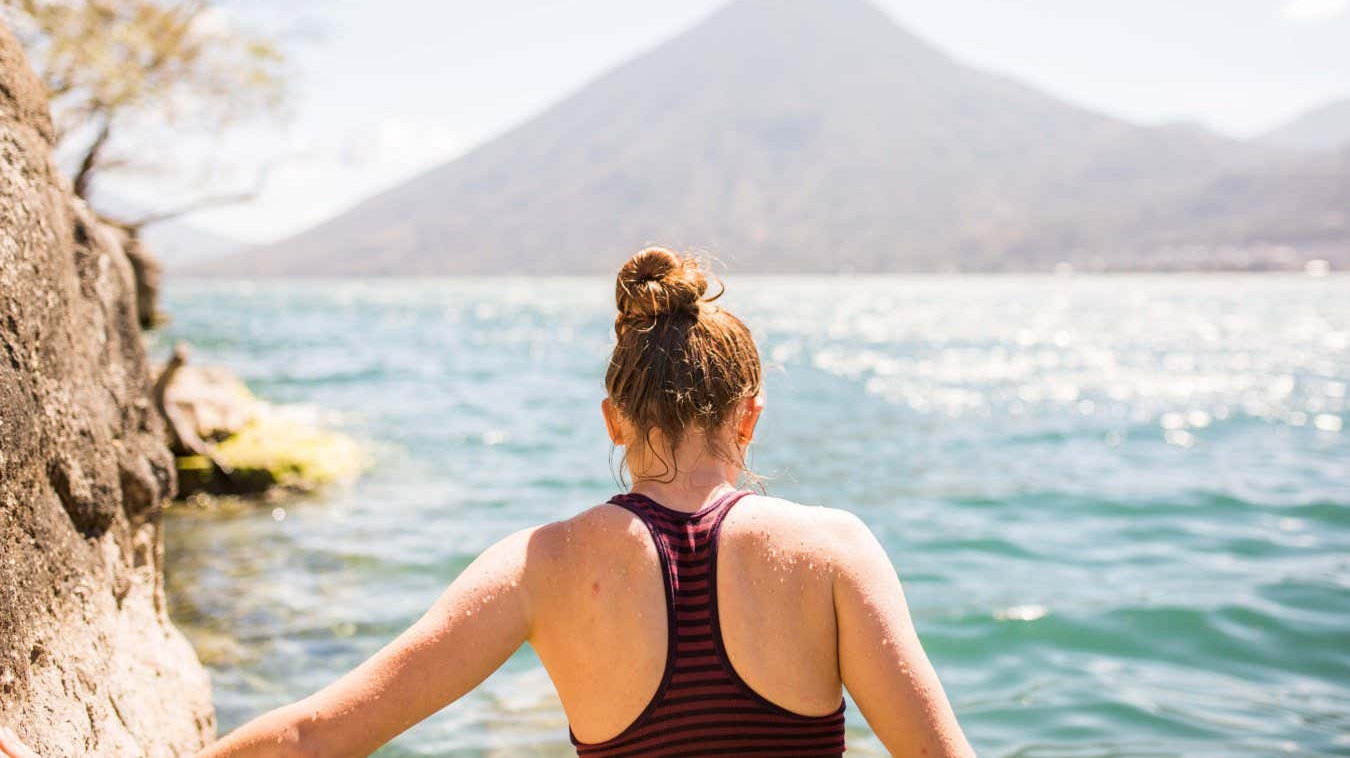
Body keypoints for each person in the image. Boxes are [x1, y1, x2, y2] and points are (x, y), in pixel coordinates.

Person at [1, 247, 973, 758]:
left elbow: (317, 736)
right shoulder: (834, 550)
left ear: (613, 416)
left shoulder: (541, 565)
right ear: (749, 417)